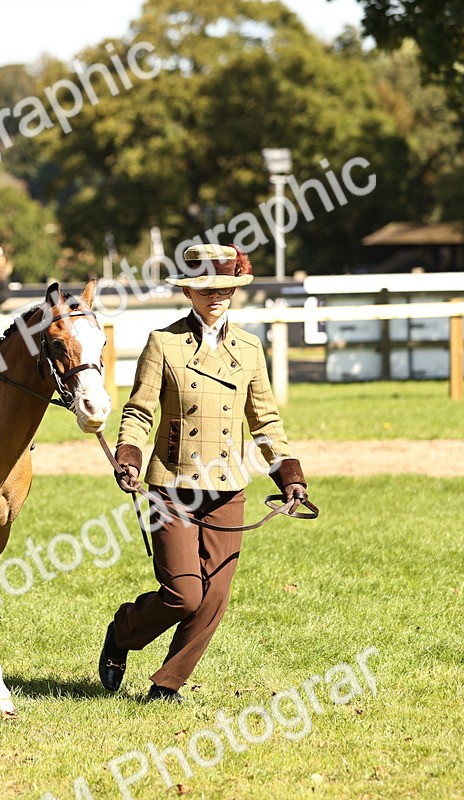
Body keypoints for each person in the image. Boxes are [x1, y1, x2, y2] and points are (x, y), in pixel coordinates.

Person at [98, 243, 309, 702]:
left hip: (228, 489)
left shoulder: (250, 348)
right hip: (171, 487)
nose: (215, 296)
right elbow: (138, 411)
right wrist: (129, 456)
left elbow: (266, 421)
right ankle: (123, 631)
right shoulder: (163, 342)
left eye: (224, 287)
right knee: (184, 594)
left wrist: (289, 475)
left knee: (215, 597)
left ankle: (167, 683)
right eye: (205, 288)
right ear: (189, 292)